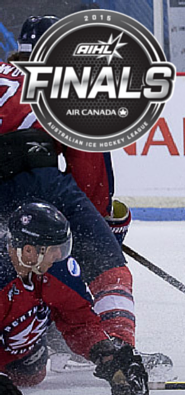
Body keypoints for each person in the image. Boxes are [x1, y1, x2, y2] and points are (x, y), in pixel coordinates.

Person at [1, 15, 136, 358]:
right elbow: (92, 180)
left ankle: (24, 339)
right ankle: (116, 346)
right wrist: (99, 229)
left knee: (13, 264)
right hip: (36, 181)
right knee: (102, 263)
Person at [1, 202, 148, 395]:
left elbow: (79, 321)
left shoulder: (56, 269)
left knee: (31, 373)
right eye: (54, 250)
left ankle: (48, 337)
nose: (59, 256)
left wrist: (108, 356)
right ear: (29, 251)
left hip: (22, 355)